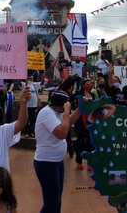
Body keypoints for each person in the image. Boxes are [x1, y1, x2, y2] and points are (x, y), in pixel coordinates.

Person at [34, 78, 81, 213]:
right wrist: (66, 112)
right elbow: (61, 133)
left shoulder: (57, 112)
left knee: (55, 200)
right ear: (60, 106)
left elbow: (69, 122)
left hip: (56, 162)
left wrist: (79, 109)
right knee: (52, 203)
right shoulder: (47, 113)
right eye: (66, 106)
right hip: (46, 163)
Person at [74, 78, 95, 170]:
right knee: (80, 142)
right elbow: (74, 101)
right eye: (87, 83)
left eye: (90, 83)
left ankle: (90, 163)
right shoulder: (79, 94)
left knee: (91, 142)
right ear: (83, 85)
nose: (89, 85)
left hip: (90, 121)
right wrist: (82, 100)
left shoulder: (93, 95)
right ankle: (79, 161)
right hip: (80, 121)